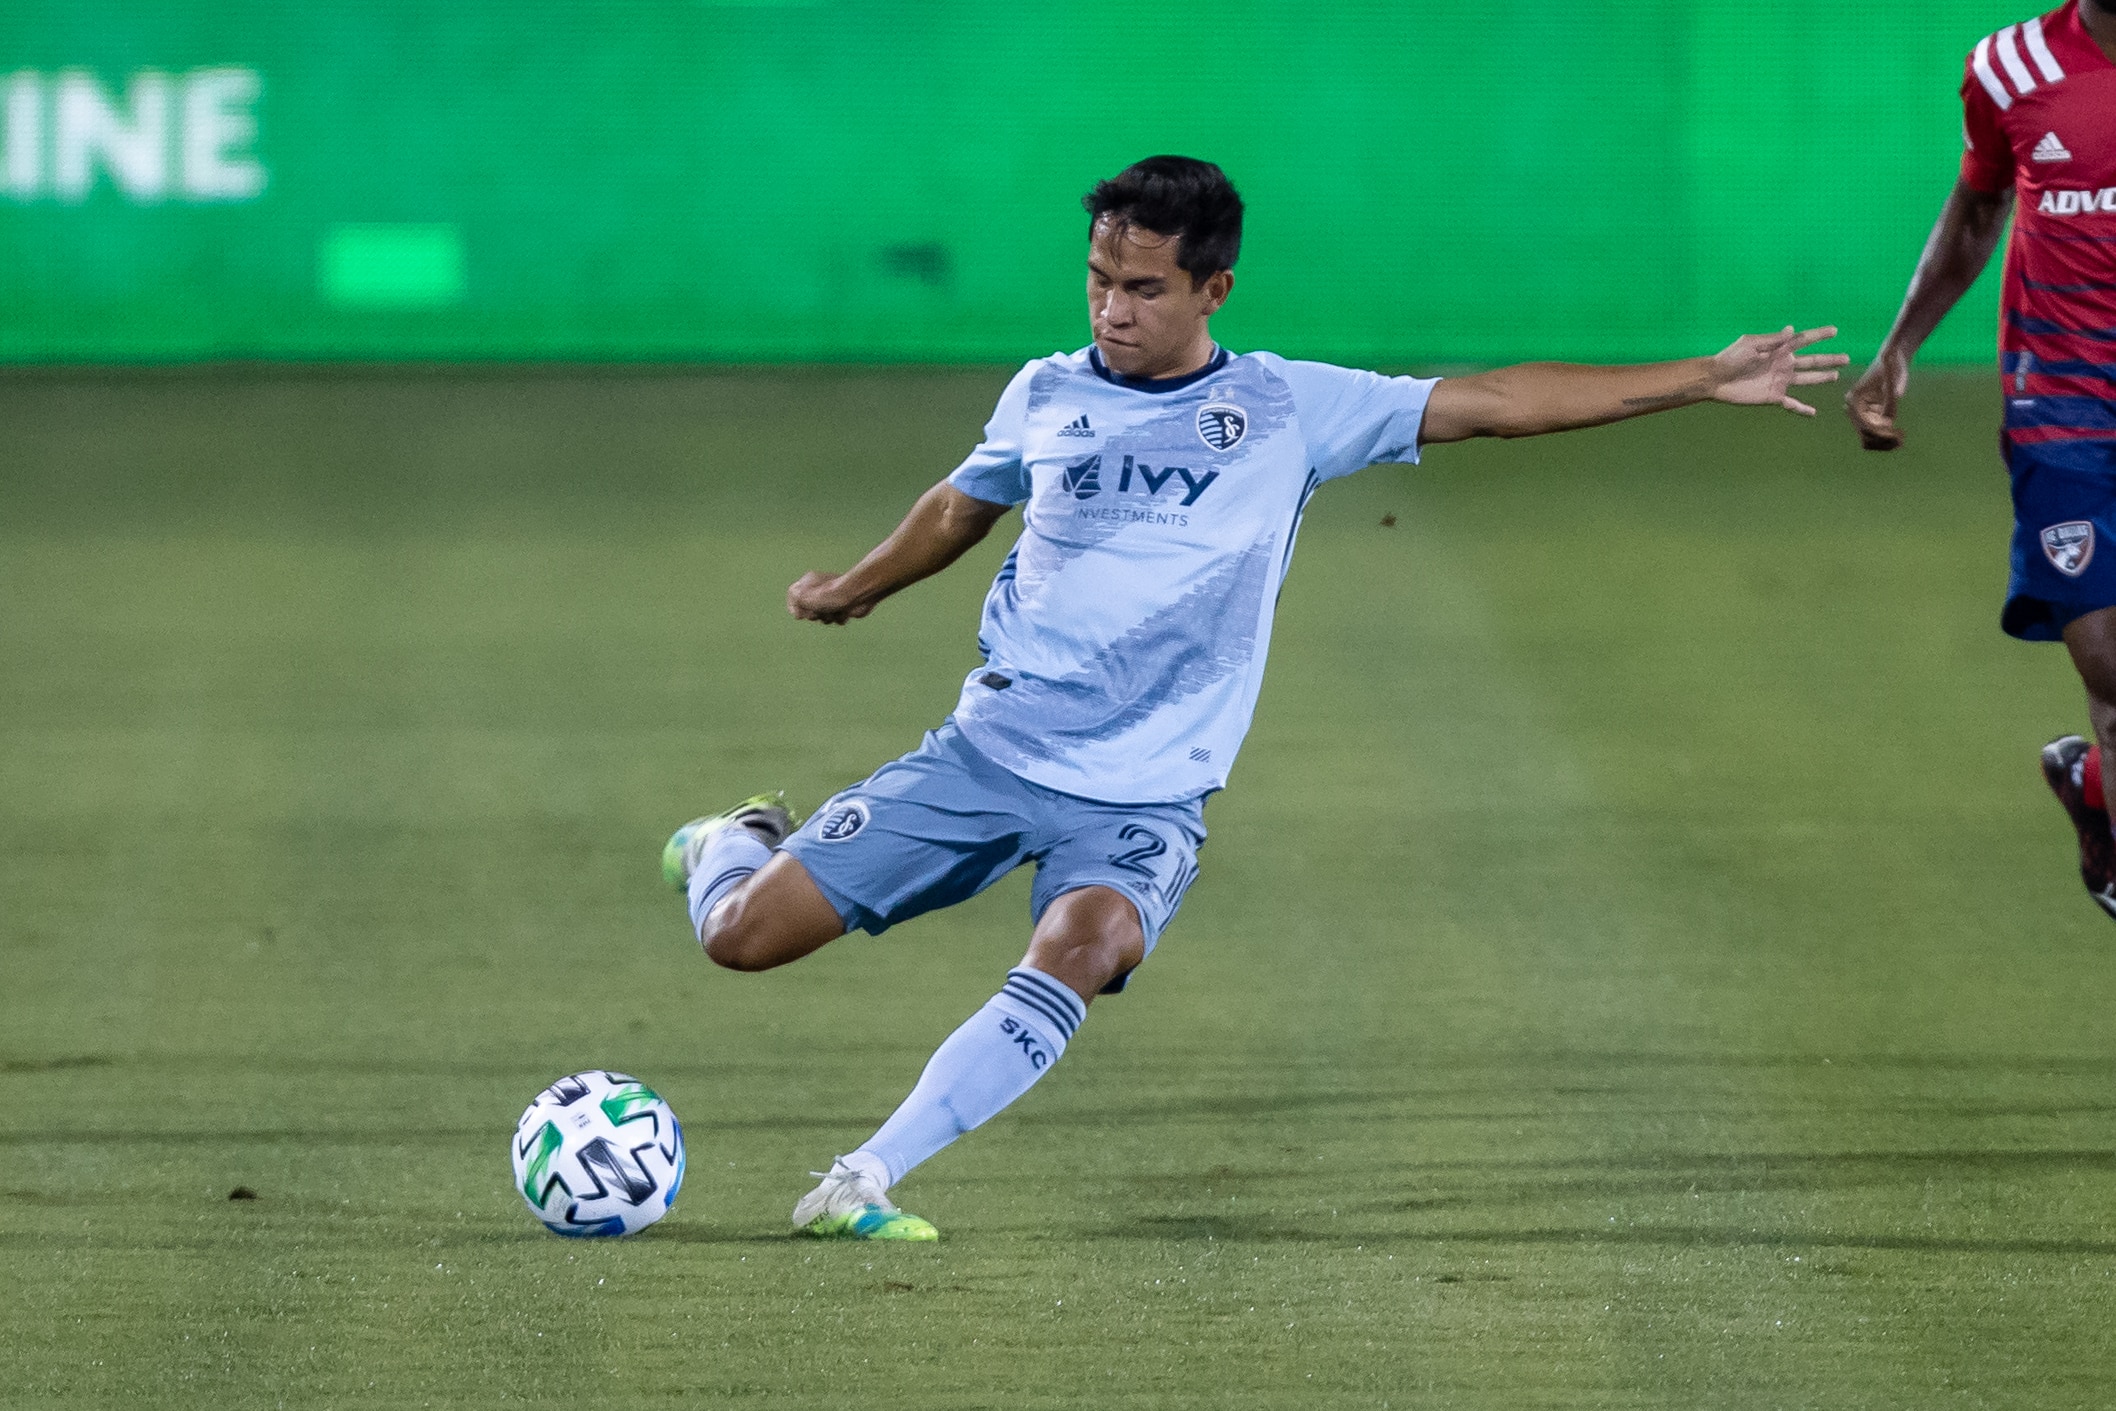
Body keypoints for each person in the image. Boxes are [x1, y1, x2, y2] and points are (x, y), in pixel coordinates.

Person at [666, 155, 1845, 1240]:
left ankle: (867, 1176)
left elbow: (1494, 399)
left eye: (1140, 288)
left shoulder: (1289, 409)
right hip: (987, 756)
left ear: (1212, 288)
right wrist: (854, 588)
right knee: (741, 939)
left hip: (1145, 794)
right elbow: (962, 502)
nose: (1109, 310)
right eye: (1095, 280)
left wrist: (1700, 377)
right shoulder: (1044, 393)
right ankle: (732, 840)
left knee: (1085, 945)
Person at [1845, 2, 2116, 915]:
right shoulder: (2008, 68)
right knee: (2110, 665)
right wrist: (1899, 348)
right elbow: (1976, 209)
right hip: (2066, 407)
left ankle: (2094, 794)